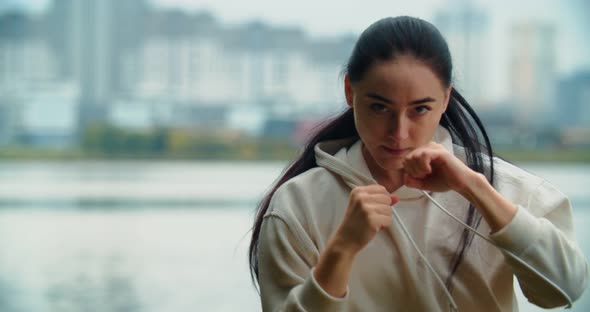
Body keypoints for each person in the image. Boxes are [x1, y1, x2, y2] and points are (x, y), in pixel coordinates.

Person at [248, 16, 589, 311]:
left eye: (420, 109)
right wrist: (342, 248)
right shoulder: (298, 204)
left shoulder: (503, 188)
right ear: (350, 92)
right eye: (380, 107)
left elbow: (565, 290)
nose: (399, 132)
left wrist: (474, 188)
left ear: (445, 99)